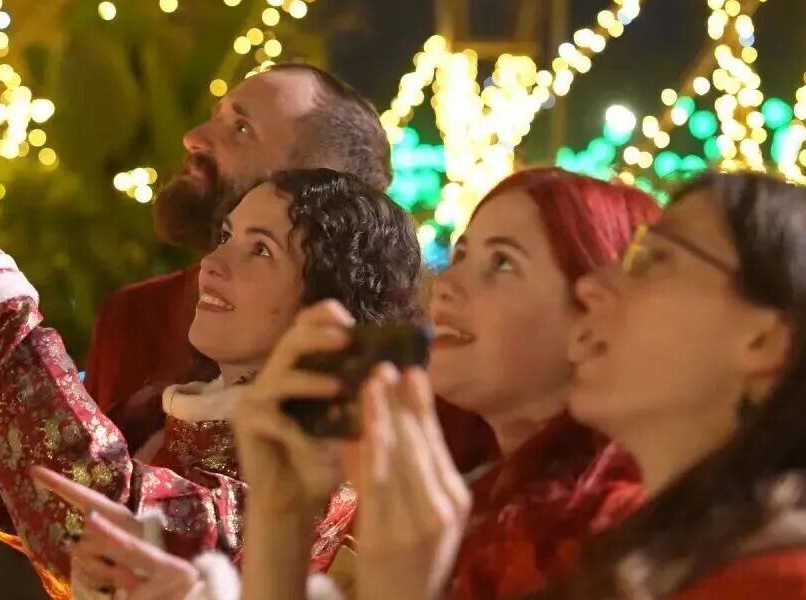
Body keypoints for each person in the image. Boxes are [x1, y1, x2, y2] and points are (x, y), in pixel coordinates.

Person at [87, 168, 657, 599]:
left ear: (596, 315)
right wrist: (278, 524)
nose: (450, 283)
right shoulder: (479, 502)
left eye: (502, 262)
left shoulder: (619, 545)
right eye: (461, 253)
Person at [0, 168, 423, 599]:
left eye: (261, 250)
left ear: (328, 305)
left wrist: (0, 311)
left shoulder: (310, 468)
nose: (213, 263)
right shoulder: (157, 413)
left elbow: (108, 526)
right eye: (226, 237)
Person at [83, 63, 492, 474]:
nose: (194, 137)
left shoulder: (407, 396)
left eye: (241, 128)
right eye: (228, 238)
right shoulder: (133, 314)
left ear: (322, 182)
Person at [529, 170, 806, 599]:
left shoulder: (780, 582)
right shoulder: (635, 549)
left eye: (656, 258)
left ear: (764, 341)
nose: (589, 286)